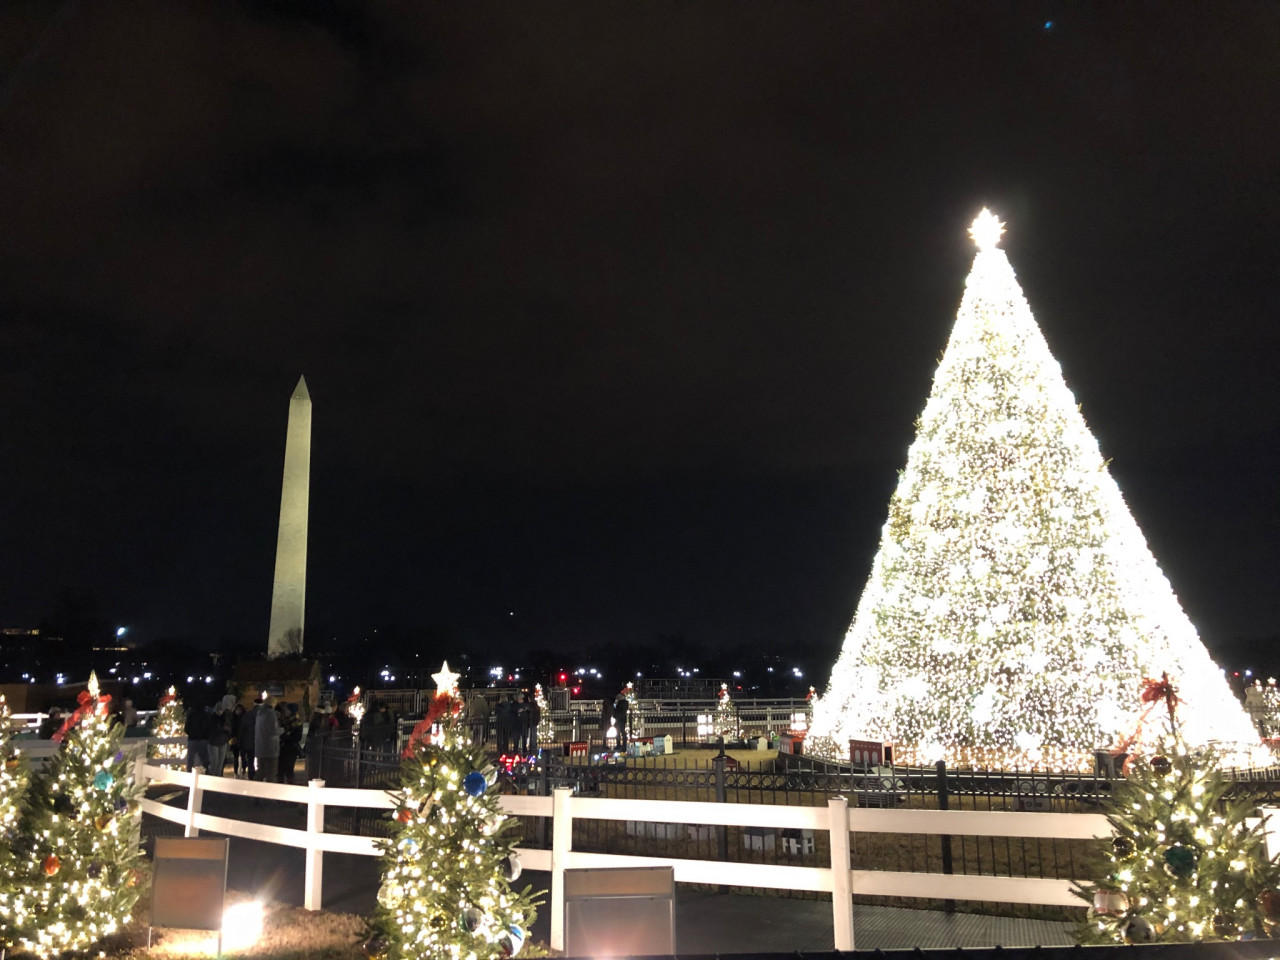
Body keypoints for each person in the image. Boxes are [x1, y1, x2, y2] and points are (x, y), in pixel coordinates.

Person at [305, 704, 337, 781]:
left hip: (315, 745)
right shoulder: (323, 720)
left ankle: (312, 778)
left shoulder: (316, 720)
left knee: (313, 765)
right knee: (318, 765)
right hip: (319, 745)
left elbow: (312, 733)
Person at [254, 697, 280, 782]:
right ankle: (270, 792)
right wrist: (282, 730)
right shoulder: (271, 714)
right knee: (271, 773)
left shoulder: (259, 713)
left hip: (260, 748)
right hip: (271, 748)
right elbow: (273, 730)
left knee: (260, 772)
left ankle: (255, 790)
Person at [185, 701, 212, 772]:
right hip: (202, 739)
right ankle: (207, 772)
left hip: (192, 739)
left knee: (190, 758)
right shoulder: (205, 715)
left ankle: (189, 772)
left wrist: (191, 734)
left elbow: (186, 728)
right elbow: (209, 727)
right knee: (204, 758)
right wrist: (205, 735)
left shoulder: (191, 715)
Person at [278, 703, 302, 784]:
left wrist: (284, 737)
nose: (286, 711)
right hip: (283, 748)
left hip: (291, 749)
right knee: (280, 769)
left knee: (289, 769)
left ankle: (290, 786)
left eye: (287, 710)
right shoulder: (285, 720)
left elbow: (297, 737)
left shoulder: (296, 721)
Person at [207, 702, 230, 775]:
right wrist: (221, 729)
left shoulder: (225, 718)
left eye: (221, 710)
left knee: (220, 762)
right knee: (214, 761)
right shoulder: (212, 718)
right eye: (218, 710)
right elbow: (210, 730)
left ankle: (218, 776)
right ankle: (212, 776)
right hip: (213, 742)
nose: (220, 711)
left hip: (223, 742)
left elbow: (229, 729)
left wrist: (227, 734)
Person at [229, 703, 248, 777]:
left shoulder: (243, 718)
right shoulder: (233, 719)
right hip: (235, 739)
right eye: (237, 710)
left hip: (242, 739)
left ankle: (243, 770)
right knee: (235, 757)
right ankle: (235, 771)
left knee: (243, 756)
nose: (238, 711)